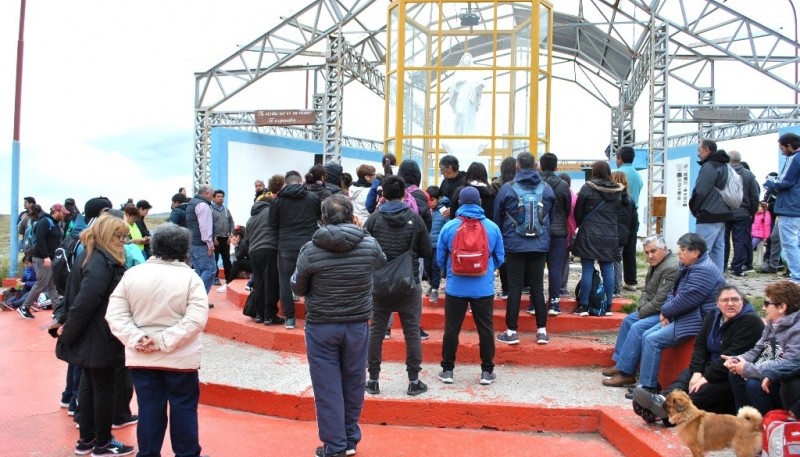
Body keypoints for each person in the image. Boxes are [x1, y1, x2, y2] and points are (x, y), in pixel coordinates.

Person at [291, 194, 386, 457]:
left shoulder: (310, 249)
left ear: (322, 218)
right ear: (351, 215)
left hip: (322, 325)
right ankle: (349, 438)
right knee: (354, 381)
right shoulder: (369, 244)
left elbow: (298, 287)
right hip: (357, 323)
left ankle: (334, 445)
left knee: (327, 386)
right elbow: (381, 263)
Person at [106, 223, 209, 457]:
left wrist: (138, 337)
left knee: (149, 409)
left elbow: (115, 314)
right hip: (181, 359)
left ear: (153, 245)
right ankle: (187, 453)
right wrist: (162, 340)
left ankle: (148, 453)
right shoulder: (191, 278)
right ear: (184, 248)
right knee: (184, 407)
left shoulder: (132, 275)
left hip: (142, 356)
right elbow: (195, 320)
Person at [55, 216, 134, 456]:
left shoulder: (90, 256)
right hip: (100, 335)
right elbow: (87, 301)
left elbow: (80, 300)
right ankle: (102, 442)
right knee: (103, 389)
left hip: (91, 335)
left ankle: (87, 440)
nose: (123, 241)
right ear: (106, 236)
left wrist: (70, 331)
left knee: (89, 386)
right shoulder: (101, 261)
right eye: (119, 237)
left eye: (124, 237)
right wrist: (68, 332)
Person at [364, 175, 432, 396]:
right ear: (404, 194)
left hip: (380, 283)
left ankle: (373, 380)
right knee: (412, 331)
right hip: (408, 282)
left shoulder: (374, 220)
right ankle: (413, 381)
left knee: (376, 330)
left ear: (383, 195)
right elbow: (426, 251)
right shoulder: (415, 218)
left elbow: (365, 249)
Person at [635, 232, 725, 394]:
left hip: (697, 320)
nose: (678, 252)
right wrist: (666, 311)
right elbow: (673, 291)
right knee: (646, 334)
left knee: (653, 340)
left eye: (683, 249)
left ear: (695, 252)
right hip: (683, 315)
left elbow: (687, 300)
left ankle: (648, 387)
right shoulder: (689, 265)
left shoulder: (704, 270)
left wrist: (666, 311)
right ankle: (646, 383)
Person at [437, 186, 504, 385]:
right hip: (483, 287)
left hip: (456, 287)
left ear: (460, 203)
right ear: (479, 203)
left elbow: (440, 259)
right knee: (485, 328)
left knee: (451, 328)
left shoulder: (449, 227)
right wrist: (486, 270)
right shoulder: (492, 227)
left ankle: (447, 370)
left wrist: (450, 272)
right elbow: (500, 258)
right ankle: (486, 371)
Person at [493, 152, 555, 345]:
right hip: (539, 244)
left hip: (514, 243)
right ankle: (542, 331)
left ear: (517, 166)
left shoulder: (507, 188)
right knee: (537, 286)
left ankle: (511, 331)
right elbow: (550, 217)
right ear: (536, 166)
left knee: (514, 287)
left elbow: (497, 217)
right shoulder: (547, 189)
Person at [602, 235, 679, 388]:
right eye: (647, 252)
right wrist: (641, 308)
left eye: (653, 251)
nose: (650, 256)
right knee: (628, 320)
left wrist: (642, 312)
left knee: (638, 327)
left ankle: (626, 373)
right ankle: (620, 362)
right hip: (654, 309)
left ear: (665, 248)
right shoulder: (658, 263)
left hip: (667, 313)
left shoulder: (671, 267)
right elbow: (646, 291)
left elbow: (661, 301)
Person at [723, 280, 800, 414]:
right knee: (734, 374)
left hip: (782, 383)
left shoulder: (796, 330)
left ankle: (763, 426)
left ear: (782, 307)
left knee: (753, 384)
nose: (763, 308)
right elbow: (756, 350)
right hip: (765, 371)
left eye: (767, 304)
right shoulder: (772, 323)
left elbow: (787, 364)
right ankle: (742, 421)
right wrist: (737, 359)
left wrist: (747, 369)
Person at [571, 161, 631, 315]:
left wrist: (582, 224)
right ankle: (609, 306)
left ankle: (584, 305)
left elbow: (578, 212)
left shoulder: (587, 188)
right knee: (607, 270)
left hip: (589, 233)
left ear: (594, 171)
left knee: (588, 270)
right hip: (610, 234)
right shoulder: (617, 190)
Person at [269, 171, 322, 329]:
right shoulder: (313, 198)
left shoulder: (278, 201)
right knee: (312, 280)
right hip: (309, 245)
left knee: (285, 281)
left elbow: (272, 223)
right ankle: (310, 317)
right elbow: (319, 217)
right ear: (301, 182)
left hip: (286, 245)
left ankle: (290, 319)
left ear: (285, 183)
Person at [689, 139, 734, 273]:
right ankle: (717, 279)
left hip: (708, 213)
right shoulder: (725, 166)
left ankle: (700, 277)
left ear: (707, 149)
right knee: (718, 248)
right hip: (723, 212)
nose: (699, 153)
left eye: (699, 150)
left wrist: (694, 207)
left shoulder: (709, 166)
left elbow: (701, 190)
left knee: (701, 249)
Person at [19, 203, 69, 319]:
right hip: (42, 258)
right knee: (41, 283)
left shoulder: (56, 224)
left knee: (52, 284)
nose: (64, 215)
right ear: (56, 211)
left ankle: (57, 309)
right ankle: (24, 307)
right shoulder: (45, 222)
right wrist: (46, 256)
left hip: (50, 258)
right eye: (63, 213)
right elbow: (40, 240)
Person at [764, 133, 800, 282]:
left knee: (789, 244)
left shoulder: (794, 158)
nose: (782, 151)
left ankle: (797, 276)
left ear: (790, 146)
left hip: (790, 206)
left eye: (782, 148)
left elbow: (784, 181)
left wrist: (769, 182)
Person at [538, 152, 572, 315]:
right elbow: (566, 209)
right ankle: (554, 303)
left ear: (541, 166)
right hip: (558, 232)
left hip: (538, 230)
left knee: (536, 267)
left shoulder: (536, 183)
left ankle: (534, 303)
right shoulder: (563, 185)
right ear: (556, 166)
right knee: (555, 268)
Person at [248, 193, 283, 324]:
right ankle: (270, 315)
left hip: (254, 252)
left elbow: (247, 238)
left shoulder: (251, 218)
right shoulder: (271, 212)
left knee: (259, 283)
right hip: (269, 249)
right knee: (271, 283)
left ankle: (259, 314)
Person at [724, 150, 760, 276]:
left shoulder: (723, 173)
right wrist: (752, 212)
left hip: (724, 212)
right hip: (743, 213)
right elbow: (754, 196)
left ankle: (722, 266)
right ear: (739, 160)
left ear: (728, 160)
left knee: (723, 241)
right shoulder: (749, 175)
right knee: (740, 241)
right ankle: (737, 268)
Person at [615, 146, 643, 290]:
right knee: (630, 249)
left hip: (619, 214)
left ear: (620, 158)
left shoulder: (616, 173)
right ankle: (631, 281)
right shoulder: (638, 175)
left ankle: (615, 282)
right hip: (634, 213)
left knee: (616, 250)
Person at [186, 185, 217, 296]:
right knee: (210, 269)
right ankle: (198, 298)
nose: (213, 197)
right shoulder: (203, 205)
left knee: (200, 271)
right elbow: (205, 226)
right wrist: (210, 243)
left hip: (192, 242)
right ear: (207, 193)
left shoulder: (192, 203)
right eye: (212, 195)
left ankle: (194, 299)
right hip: (201, 243)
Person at [425, 185, 449, 304]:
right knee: (427, 267)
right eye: (428, 200)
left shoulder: (443, 210)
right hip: (427, 244)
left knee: (436, 266)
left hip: (438, 245)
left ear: (439, 198)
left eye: (432, 200)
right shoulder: (426, 210)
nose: (430, 203)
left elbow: (448, 226)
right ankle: (431, 284)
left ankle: (435, 288)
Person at [448, 52, 483, 135]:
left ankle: (468, 134)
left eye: (468, 59)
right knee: (460, 113)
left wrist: (479, 87)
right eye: (465, 59)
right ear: (462, 61)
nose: (467, 61)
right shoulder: (458, 72)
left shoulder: (474, 73)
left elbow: (478, 86)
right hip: (461, 97)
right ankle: (458, 134)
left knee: (469, 116)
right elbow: (453, 87)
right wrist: (457, 83)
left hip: (470, 98)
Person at [211, 189, 235, 286]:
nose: (220, 198)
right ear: (214, 197)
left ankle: (229, 278)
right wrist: (212, 238)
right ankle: (215, 278)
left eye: (222, 196)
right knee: (214, 259)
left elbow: (231, 223)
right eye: (218, 196)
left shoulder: (226, 210)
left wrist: (231, 235)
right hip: (216, 239)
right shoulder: (210, 209)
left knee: (227, 259)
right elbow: (208, 224)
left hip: (226, 238)